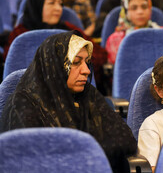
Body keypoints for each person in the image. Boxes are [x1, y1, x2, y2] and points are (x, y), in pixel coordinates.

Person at [0, 30, 137, 173]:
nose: (86, 70)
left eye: (87, 62)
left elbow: (126, 141)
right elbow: (34, 160)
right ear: (56, 66)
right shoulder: (22, 104)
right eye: (76, 62)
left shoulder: (88, 95)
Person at [3, 0, 108, 95]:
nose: (58, 8)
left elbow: (100, 54)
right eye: (52, 3)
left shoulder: (69, 29)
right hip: (27, 98)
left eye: (60, 4)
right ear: (38, 5)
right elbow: (12, 66)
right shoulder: (20, 34)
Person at [105, 0, 161, 64]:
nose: (140, 12)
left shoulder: (161, 32)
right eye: (134, 8)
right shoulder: (115, 40)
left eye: (144, 7)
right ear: (125, 11)